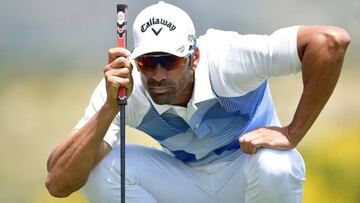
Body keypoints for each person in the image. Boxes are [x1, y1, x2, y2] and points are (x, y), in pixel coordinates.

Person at [45, 1, 350, 203]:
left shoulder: (228, 58)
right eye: (148, 61)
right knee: (99, 168)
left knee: (275, 165)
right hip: (187, 181)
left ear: (195, 56)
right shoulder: (123, 87)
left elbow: (330, 42)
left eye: (170, 60)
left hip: (249, 177)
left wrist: (292, 132)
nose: (158, 74)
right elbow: (58, 182)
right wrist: (110, 107)